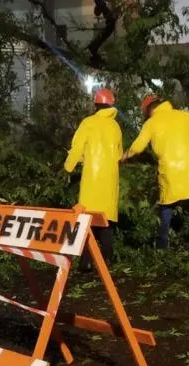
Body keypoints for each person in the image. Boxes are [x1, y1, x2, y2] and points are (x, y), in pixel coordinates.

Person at [123, 95, 189, 255]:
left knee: (166, 210)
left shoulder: (151, 123)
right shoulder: (183, 116)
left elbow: (137, 147)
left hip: (170, 173)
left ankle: (161, 250)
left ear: (149, 109)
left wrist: (123, 156)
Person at [64, 88, 122, 271]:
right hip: (110, 180)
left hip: (92, 178)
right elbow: (119, 154)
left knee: (87, 220)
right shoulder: (115, 127)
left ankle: (86, 262)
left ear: (96, 105)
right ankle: (107, 260)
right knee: (106, 221)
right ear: (111, 105)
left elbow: (77, 147)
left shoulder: (88, 123)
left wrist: (68, 167)